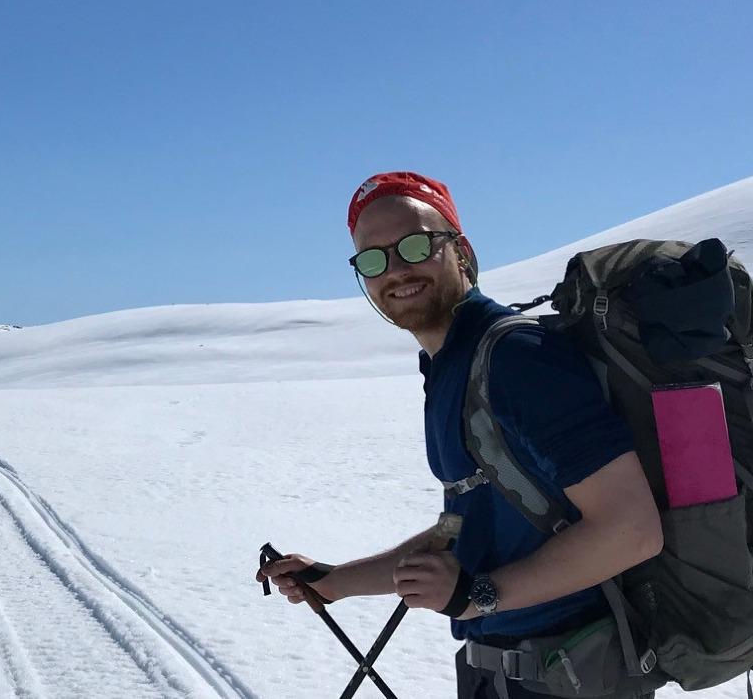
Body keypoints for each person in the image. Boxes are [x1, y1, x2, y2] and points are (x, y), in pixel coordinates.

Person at [255, 172, 664, 698]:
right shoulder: (452, 365)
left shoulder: (518, 359)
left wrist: (479, 596)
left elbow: (632, 529)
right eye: (373, 260)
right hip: (505, 675)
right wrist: (335, 581)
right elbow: (468, 525)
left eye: (415, 245)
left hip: (573, 673)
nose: (395, 270)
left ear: (462, 251)